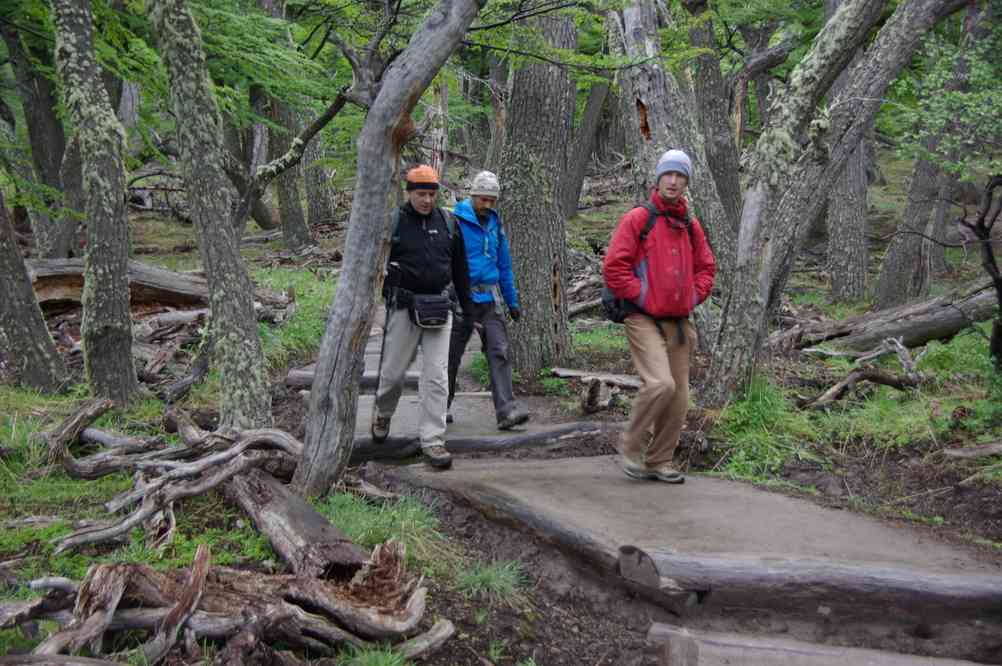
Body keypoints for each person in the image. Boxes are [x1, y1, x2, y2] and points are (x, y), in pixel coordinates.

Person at [602, 149, 716, 483]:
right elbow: (614, 267)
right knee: (660, 383)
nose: (674, 180)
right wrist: (643, 295)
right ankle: (631, 447)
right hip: (642, 316)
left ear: (686, 183)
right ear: (658, 178)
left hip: (679, 320)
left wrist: (693, 295)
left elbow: (707, 266)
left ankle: (659, 461)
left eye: (680, 176)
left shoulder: (689, 225)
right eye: (669, 174)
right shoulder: (639, 218)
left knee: (679, 395)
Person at [371, 165, 473, 469]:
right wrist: (383, 295)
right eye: (421, 194)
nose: (426, 200)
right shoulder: (394, 222)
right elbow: (376, 266)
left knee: (437, 376)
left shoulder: (448, 222)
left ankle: (433, 440)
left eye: (431, 194)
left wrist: (467, 308)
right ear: (409, 192)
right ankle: (383, 413)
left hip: (440, 308)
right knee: (392, 374)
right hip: (402, 307)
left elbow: (461, 268)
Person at [446, 170, 530, 430]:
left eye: (492, 200)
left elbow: (504, 265)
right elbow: (444, 261)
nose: (488, 205)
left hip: (490, 300)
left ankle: (506, 411)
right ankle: (439, 407)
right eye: (484, 199)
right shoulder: (455, 221)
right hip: (461, 298)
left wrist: (512, 301)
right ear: (473, 196)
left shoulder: (496, 224)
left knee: (499, 351)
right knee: (451, 356)